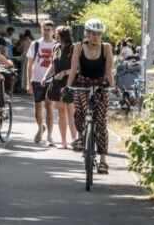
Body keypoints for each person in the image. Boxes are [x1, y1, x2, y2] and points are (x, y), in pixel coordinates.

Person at [65, 18, 118, 174]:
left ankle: (103, 161)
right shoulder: (78, 47)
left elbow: (109, 70)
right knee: (80, 111)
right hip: (83, 83)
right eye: (93, 34)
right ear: (86, 34)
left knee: (101, 121)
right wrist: (68, 86)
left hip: (101, 84)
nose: (96, 37)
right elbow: (74, 68)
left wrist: (113, 86)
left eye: (99, 34)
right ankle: (80, 137)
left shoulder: (106, 47)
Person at [41, 26, 77, 149]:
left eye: (56, 34)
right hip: (57, 82)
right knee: (61, 112)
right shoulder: (56, 47)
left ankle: (74, 140)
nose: (54, 36)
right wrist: (45, 77)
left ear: (62, 36)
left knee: (71, 112)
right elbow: (52, 65)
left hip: (69, 83)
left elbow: (77, 69)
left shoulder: (73, 49)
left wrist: (65, 73)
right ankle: (63, 141)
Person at [26, 20, 56, 145]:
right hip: (37, 80)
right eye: (44, 29)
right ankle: (40, 128)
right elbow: (29, 64)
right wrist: (28, 83)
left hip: (51, 80)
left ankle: (49, 136)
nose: (46, 32)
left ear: (53, 31)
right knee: (38, 108)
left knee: (49, 107)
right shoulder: (35, 44)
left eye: (48, 30)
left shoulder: (56, 45)